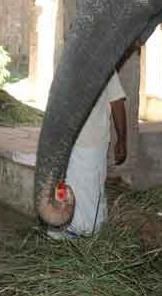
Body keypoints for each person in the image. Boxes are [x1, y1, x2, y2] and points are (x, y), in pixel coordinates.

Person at [48, 71, 127, 238]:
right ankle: (65, 229)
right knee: (65, 186)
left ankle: (88, 235)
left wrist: (121, 139)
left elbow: (117, 102)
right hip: (67, 140)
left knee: (90, 193)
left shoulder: (105, 65)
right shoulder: (68, 63)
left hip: (91, 141)